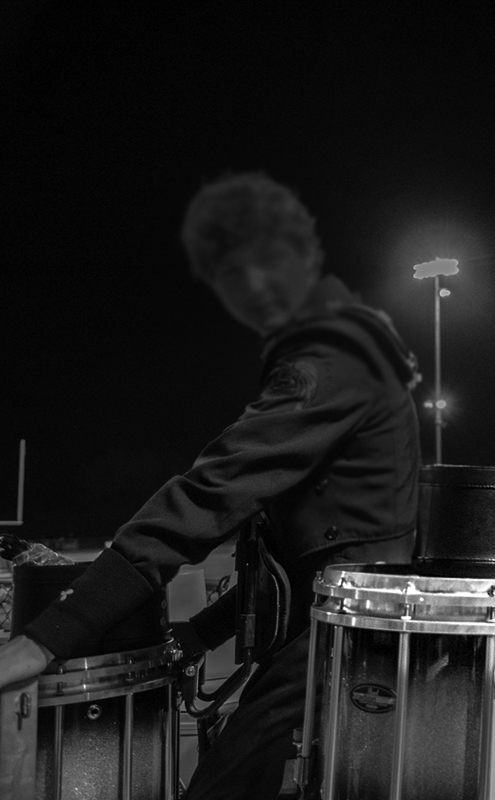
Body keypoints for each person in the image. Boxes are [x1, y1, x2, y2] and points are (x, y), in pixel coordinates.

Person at [0, 173, 422, 799]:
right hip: (331, 627)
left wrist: (46, 640)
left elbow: (212, 492)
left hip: (347, 638)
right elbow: (301, 553)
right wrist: (197, 636)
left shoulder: (335, 354)